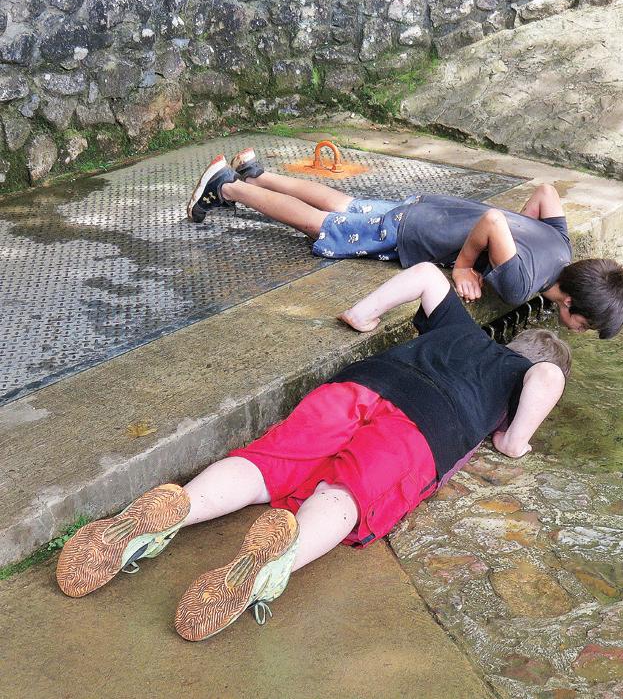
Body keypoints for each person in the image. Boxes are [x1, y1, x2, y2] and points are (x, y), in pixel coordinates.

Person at [55, 262, 571, 641]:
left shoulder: (459, 328)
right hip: (425, 426)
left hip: (363, 385)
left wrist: (362, 313)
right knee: (346, 495)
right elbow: (546, 380)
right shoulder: (523, 373)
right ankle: (272, 565)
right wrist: (514, 439)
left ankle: (180, 507)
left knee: (268, 462)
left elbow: (427, 277)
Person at [186, 149, 623, 338]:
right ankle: (228, 187)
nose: (580, 331)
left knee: (347, 204)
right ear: (569, 302)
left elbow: (546, 193)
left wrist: (516, 235)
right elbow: (495, 221)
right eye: (585, 324)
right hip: (416, 232)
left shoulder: (562, 248)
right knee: (326, 226)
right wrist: (464, 265)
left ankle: (257, 174)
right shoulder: (520, 286)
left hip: (435, 208)